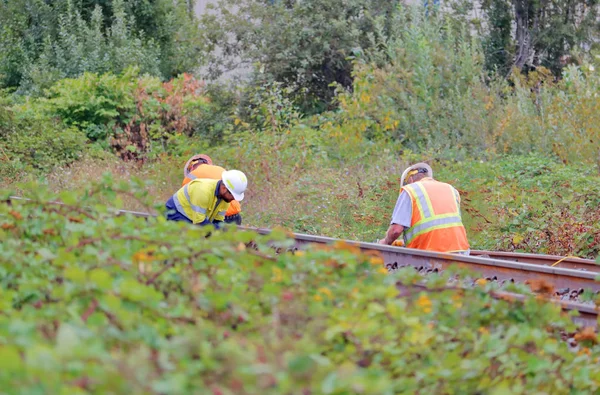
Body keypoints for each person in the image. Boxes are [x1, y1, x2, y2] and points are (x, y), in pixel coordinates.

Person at [378, 163, 470, 255]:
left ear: (410, 179)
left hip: (429, 254)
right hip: (461, 252)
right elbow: (441, 228)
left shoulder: (410, 190)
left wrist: (386, 242)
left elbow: (396, 230)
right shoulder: (451, 189)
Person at [165, 169, 248, 229]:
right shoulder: (203, 191)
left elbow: (218, 220)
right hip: (175, 213)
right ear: (224, 188)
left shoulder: (225, 199)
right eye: (233, 195)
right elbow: (199, 223)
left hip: (193, 218)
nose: (233, 199)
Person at [182, 154, 243, 225]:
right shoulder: (220, 169)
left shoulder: (190, 176)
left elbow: (187, 204)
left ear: (191, 167)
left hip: (217, 218)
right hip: (235, 216)